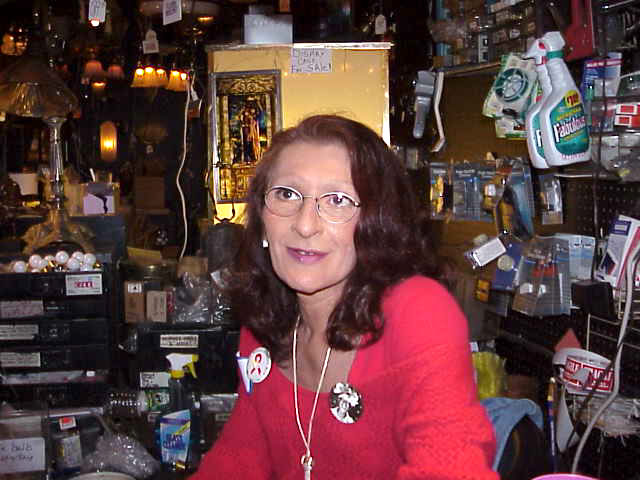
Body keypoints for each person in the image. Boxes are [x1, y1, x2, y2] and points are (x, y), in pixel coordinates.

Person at [190, 114, 498, 479]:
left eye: (338, 200)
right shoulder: (264, 323)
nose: (305, 224)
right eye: (287, 194)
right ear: (261, 217)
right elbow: (241, 455)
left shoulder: (419, 310)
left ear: (376, 221)